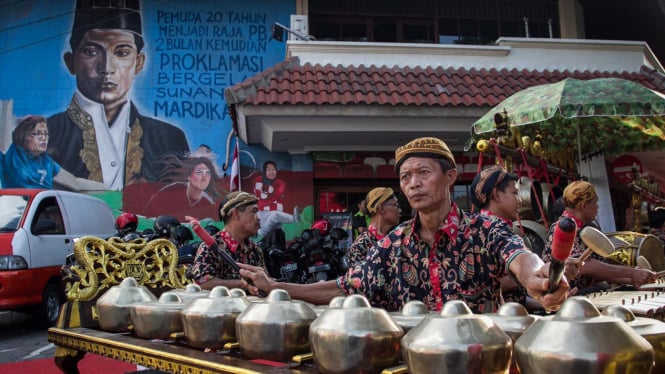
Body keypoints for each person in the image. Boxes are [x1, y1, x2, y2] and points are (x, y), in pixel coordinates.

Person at [239, 137, 569, 313]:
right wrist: (277, 287)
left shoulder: (485, 230)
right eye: (405, 177)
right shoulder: (392, 244)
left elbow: (521, 259)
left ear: (450, 177)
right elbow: (344, 287)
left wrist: (537, 278)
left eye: (423, 173)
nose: (412, 184)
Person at [47, 0, 190, 190]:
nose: (106, 68)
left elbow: (181, 202)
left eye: (122, 53)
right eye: (91, 52)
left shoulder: (168, 138)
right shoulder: (48, 133)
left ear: (138, 63)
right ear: (71, 62)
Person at [468, 164, 575, 311]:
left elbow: (515, 297)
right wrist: (540, 276)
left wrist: (544, 299)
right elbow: (487, 284)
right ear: (496, 195)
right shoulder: (491, 228)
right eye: (514, 193)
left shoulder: (492, 225)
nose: (519, 200)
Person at [541, 180, 657, 293]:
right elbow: (585, 266)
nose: (597, 207)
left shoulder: (582, 228)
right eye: (595, 203)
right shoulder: (563, 227)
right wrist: (632, 273)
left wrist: (634, 279)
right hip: (563, 299)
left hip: (584, 294)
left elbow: (601, 272)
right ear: (585, 206)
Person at [1, 115, 106, 191]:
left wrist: (108, 187)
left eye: (46, 134)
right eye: (38, 134)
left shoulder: (46, 162)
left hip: (43, 210)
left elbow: (74, 182)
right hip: (17, 211)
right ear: (24, 137)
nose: (44, 138)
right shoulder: (11, 155)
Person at [187, 191, 266, 290]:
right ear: (236, 213)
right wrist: (241, 284)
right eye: (254, 211)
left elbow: (266, 282)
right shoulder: (210, 247)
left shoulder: (255, 250)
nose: (258, 218)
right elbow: (202, 282)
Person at [144, 155, 221, 221]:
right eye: (199, 172)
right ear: (189, 176)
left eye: (208, 173)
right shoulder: (172, 190)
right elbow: (149, 214)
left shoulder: (207, 203)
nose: (204, 178)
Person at [348, 187, 401, 267]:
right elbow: (357, 278)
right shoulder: (361, 244)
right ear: (381, 208)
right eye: (395, 205)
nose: (400, 210)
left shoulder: (394, 239)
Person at [251, 160, 299, 237]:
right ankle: (293, 219)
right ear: (264, 171)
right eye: (269, 169)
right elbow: (260, 201)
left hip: (276, 215)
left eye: (274, 169)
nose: (272, 172)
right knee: (275, 215)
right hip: (263, 215)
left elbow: (272, 198)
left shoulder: (280, 183)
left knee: (278, 229)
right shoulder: (258, 181)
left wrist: (261, 202)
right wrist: (260, 203)